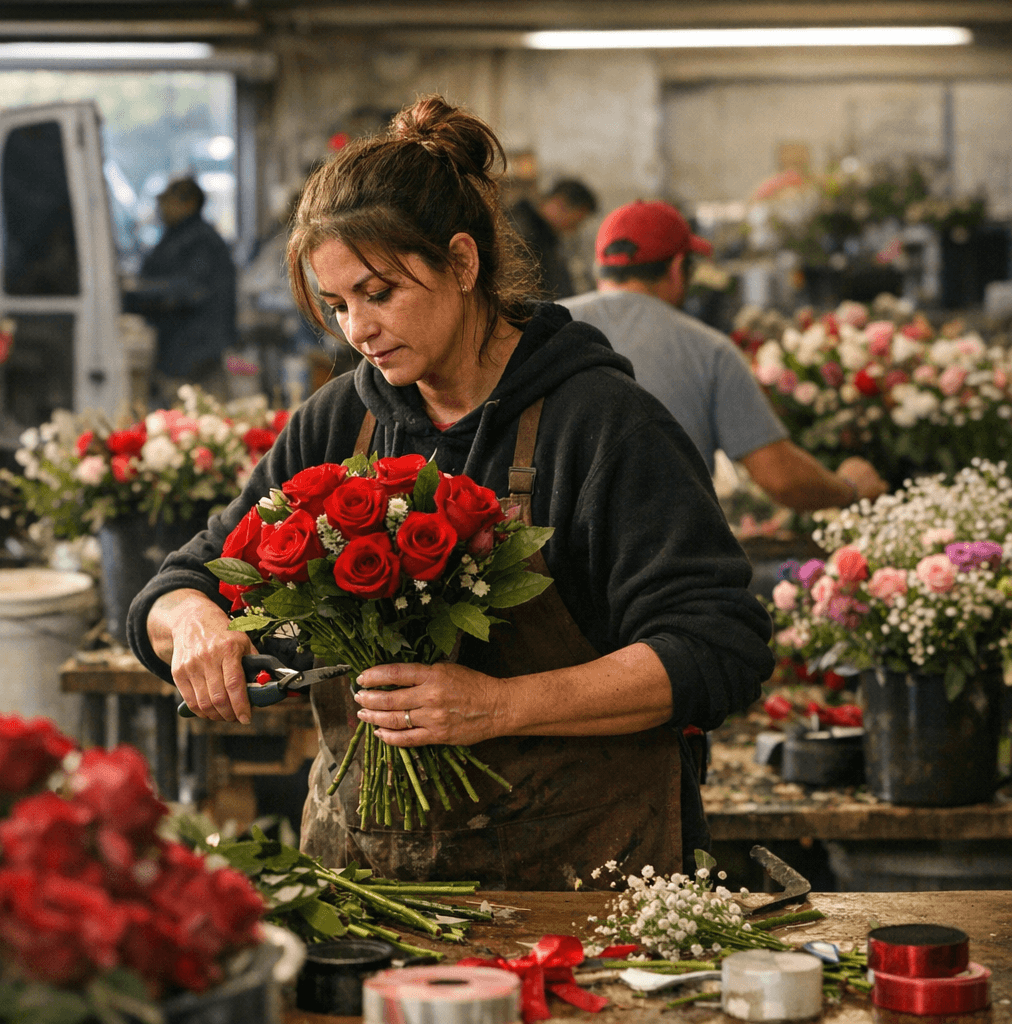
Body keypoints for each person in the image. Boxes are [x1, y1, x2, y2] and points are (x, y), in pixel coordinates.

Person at [125, 97, 773, 889]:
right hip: (374, 878)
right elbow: (183, 581)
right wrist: (193, 623)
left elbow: (718, 649)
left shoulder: (602, 426)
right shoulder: (341, 421)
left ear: (463, 264)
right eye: (337, 306)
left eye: (379, 292)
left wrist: (501, 706)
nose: (358, 328)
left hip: (581, 877)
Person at [562, 201, 888, 511]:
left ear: (600, 268)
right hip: (660, 560)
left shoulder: (539, 327)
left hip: (543, 559)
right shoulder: (709, 350)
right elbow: (781, 479)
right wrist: (849, 488)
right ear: (678, 269)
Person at [123, 177, 237, 404]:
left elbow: (187, 290)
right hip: (176, 347)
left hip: (195, 352)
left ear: (189, 204)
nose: (161, 208)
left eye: (168, 201)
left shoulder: (201, 242)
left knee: (194, 419)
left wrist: (131, 295)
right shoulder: (176, 236)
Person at [506, 178, 598, 300]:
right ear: (560, 203)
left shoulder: (547, 235)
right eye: (577, 220)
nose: (575, 228)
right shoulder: (522, 232)